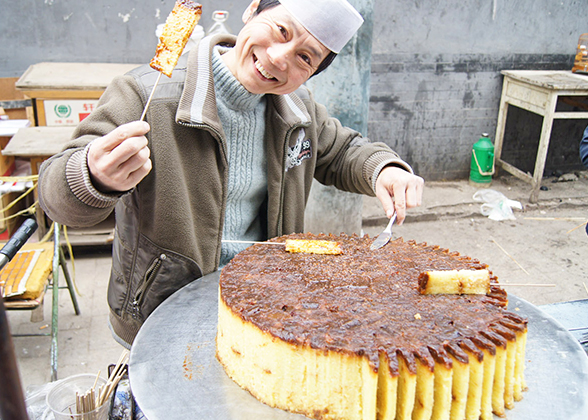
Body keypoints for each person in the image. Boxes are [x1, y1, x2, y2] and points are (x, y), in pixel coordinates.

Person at [38, 0, 424, 348]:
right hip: (163, 312)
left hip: (266, 305)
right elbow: (55, 199)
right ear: (253, 9)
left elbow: (342, 151)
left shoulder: (299, 109)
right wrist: (93, 176)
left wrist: (383, 169)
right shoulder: (145, 95)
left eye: (305, 58)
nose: (278, 58)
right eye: (280, 31)